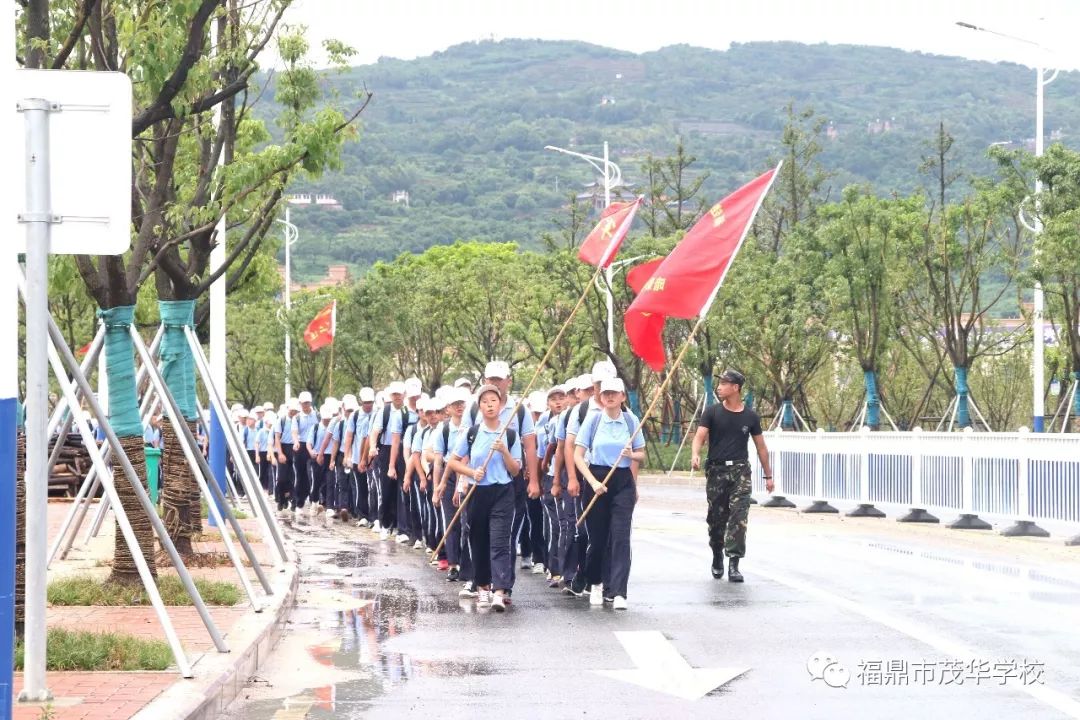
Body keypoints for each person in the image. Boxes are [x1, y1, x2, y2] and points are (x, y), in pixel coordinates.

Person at [691, 368, 774, 583]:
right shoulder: (711, 412)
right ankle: (717, 553)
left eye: (724, 383)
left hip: (740, 471)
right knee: (716, 519)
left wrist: (768, 476)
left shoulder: (751, 416)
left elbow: (761, 447)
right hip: (717, 471)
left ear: (735, 388)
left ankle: (734, 563)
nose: (719, 387)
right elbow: (699, 437)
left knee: (739, 516)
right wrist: (695, 454)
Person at [447, 384, 523, 613]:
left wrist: (504, 451)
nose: (490, 405)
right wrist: (472, 472)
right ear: (479, 406)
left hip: (502, 492)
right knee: (478, 540)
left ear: (500, 405)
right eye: (485, 401)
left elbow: (516, 469)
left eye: (494, 401)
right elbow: (453, 461)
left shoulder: (509, 434)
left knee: (500, 541)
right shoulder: (472, 432)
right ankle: (482, 588)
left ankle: (499, 591)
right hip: (477, 491)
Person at [574, 378, 644, 610]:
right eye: (606, 394)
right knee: (598, 538)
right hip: (597, 479)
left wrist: (631, 455)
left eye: (615, 393)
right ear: (600, 397)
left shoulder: (630, 420)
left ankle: (619, 591)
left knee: (621, 537)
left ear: (623, 396)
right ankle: (595, 583)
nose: (610, 397)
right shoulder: (593, 420)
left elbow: (641, 454)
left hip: (623, 481)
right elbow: (578, 455)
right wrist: (593, 482)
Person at [294, 390, 320, 519]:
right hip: (301, 447)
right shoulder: (297, 418)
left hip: (314, 447)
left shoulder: (317, 416)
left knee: (312, 476)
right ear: (300, 404)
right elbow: (294, 432)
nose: (306, 405)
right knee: (301, 476)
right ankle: (299, 504)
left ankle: (314, 501)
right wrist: (296, 442)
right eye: (304, 403)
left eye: (308, 403)